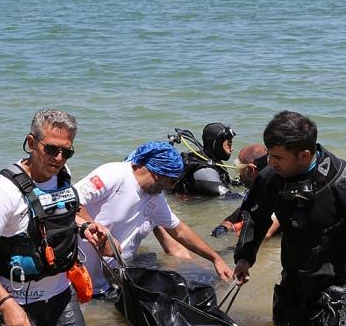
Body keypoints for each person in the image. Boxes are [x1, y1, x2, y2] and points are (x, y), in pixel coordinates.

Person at [232, 111, 346, 326]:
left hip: (336, 284)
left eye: (278, 157)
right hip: (293, 278)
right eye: (269, 155)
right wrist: (245, 257)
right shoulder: (270, 178)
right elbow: (256, 217)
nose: (270, 163)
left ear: (304, 155)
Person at [0, 109, 109, 326]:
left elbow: (59, 215)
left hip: (61, 294)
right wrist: (6, 305)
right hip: (18, 300)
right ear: (31, 143)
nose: (59, 158)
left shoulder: (63, 175)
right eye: (52, 149)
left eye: (67, 152)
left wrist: (85, 226)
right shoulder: (5, 191)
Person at [75, 141, 233, 298]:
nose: (172, 187)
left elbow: (179, 230)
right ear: (158, 173)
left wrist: (215, 258)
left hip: (110, 280)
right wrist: (101, 237)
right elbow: (72, 203)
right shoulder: (114, 173)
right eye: (172, 181)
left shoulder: (155, 197)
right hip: (77, 273)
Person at [211, 143, 280, 239]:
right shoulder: (254, 191)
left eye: (239, 169)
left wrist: (228, 250)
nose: (239, 176)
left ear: (251, 170)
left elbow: (266, 232)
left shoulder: (276, 189)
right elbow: (239, 213)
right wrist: (223, 227)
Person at [170, 122, 240, 197]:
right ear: (217, 144)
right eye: (229, 144)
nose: (232, 149)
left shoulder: (212, 161)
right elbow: (227, 196)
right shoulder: (204, 170)